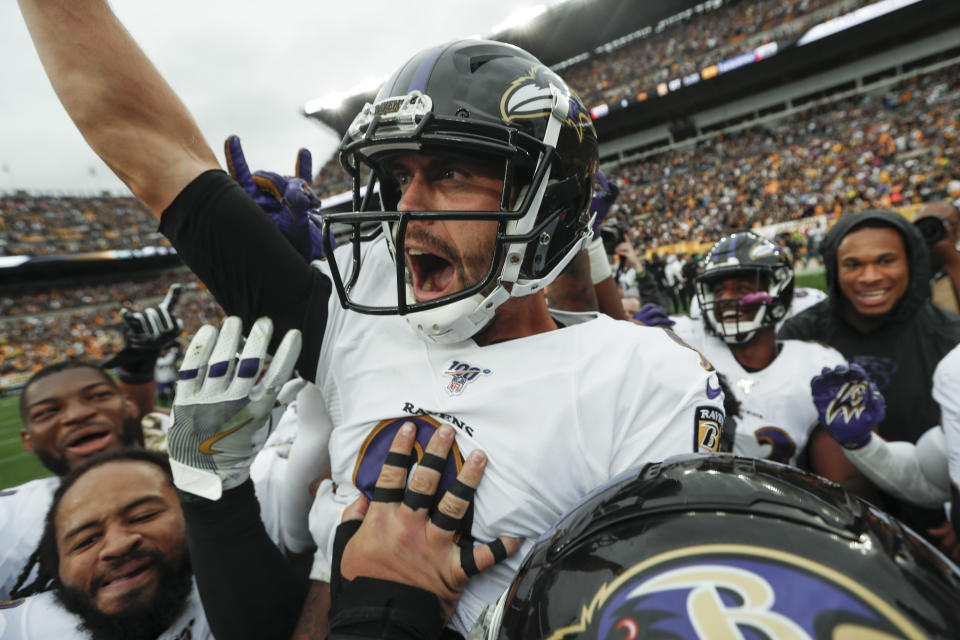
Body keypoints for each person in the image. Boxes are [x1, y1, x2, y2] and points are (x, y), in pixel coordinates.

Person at [16, 5, 726, 636]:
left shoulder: (647, 381)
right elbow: (142, 142)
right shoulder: (354, 322)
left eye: (448, 172)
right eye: (396, 177)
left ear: (547, 210)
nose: (408, 206)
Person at [778, 208, 960, 536]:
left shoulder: (949, 337)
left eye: (886, 260)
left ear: (912, 263)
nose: (870, 277)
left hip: (933, 523)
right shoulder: (800, 333)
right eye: (853, 264)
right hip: (836, 527)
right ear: (834, 268)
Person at [669, 232, 853, 480]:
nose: (725, 299)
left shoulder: (816, 364)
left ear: (779, 290)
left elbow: (843, 485)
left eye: (742, 288)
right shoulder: (686, 348)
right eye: (719, 290)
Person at [4, 448, 212, 640]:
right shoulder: (29, 629)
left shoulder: (236, 588)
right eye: (86, 541)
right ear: (58, 576)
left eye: (143, 516)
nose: (118, 546)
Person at [913, 201, 960, 313]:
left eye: (940, 222)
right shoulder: (906, 266)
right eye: (923, 223)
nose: (929, 229)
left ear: (958, 229)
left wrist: (952, 260)